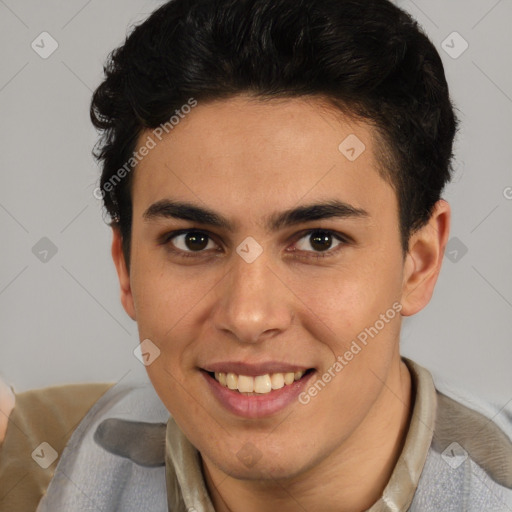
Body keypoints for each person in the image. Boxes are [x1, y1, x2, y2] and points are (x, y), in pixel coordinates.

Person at [1, 0, 511, 510]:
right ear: (126, 267)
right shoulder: (24, 466)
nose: (248, 316)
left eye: (319, 240)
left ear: (418, 263)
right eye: (193, 240)